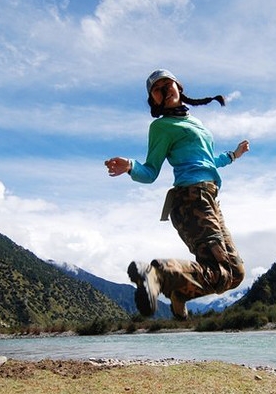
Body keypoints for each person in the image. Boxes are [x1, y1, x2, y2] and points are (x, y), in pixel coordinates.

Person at [105, 69, 249, 320]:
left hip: (210, 199)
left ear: (178, 87)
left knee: (235, 274)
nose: (164, 89)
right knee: (219, 268)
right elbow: (150, 171)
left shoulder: (196, 123)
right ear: (154, 100)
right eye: (157, 89)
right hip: (191, 199)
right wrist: (129, 166)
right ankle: (157, 274)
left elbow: (208, 160)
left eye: (167, 83)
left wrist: (234, 155)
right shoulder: (162, 127)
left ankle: (180, 292)